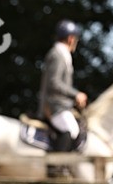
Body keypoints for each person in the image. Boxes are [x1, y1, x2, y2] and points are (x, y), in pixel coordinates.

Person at [38, 20, 88, 156]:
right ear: (71, 39)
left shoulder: (63, 54)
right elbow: (54, 82)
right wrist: (75, 94)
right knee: (71, 129)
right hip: (54, 106)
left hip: (60, 105)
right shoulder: (58, 54)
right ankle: (56, 167)